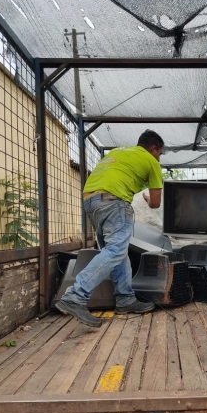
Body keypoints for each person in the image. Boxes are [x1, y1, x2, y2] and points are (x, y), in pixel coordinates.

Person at [56, 129, 164, 328]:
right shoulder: (151, 162)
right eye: (160, 153)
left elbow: (119, 178)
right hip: (114, 202)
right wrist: (148, 199)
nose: (159, 158)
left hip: (90, 200)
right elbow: (156, 204)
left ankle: (125, 299)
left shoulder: (117, 152)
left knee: (118, 253)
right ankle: (75, 296)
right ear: (153, 148)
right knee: (115, 251)